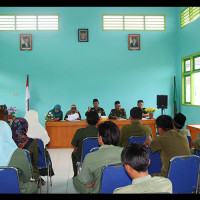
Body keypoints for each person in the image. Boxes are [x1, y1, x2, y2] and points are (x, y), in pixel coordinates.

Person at [73, 121, 123, 193]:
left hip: (99, 191)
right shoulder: (127, 153)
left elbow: (86, 180)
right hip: (123, 189)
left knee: (76, 180)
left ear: (100, 137)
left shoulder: (90, 157)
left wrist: (90, 183)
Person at [0, 121, 38, 193]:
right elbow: (27, 177)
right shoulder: (19, 153)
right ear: (8, 133)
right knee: (33, 186)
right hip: (15, 189)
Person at [24, 110, 55, 179]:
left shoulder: (22, 129)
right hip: (40, 158)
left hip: (25, 158)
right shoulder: (40, 128)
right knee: (44, 153)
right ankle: (39, 176)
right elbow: (47, 142)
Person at [10, 118, 40, 183]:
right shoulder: (32, 142)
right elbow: (36, 160)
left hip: (9, 176)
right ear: (25, 127)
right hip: (29, 176)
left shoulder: (8, 142)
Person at [71, 111, 99, 176]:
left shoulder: (80, 132)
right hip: (98, 158)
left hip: (83, 159)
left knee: (73, 154)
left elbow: (75, 147)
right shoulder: (101, 132)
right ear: (98, 121)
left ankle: (76, 175)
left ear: (86, 121)